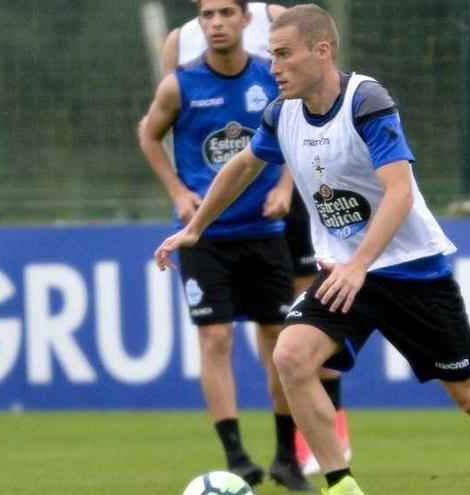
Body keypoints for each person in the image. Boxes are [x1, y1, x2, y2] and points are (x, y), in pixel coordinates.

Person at [154, 4, 470, 494]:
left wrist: (360, 264)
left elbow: (399, 192)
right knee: (290, 357)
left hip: (412, 272)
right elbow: (243, 166)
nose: (274, 68)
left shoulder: (365, 100)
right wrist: (196, 228)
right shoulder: (281, 112)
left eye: (285, 55)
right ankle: (342, 487)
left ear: (322, 51)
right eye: (271, 56)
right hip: (344, 273)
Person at [160, 0, 352, 477]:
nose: (217, 22)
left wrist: (287, 186)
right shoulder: (179, 59)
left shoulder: (279, 45)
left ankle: (296, 451)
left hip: (270, 224)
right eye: (208, 14)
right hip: (208, 231)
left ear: (246, 20)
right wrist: (181, 193)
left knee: (283, 337)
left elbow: (298, 119)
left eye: (227, 13)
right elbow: (154, 128)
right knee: (216, 338)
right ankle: (237, 458)